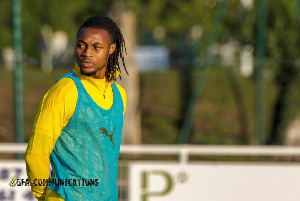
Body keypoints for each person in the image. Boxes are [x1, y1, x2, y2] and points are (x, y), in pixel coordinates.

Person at [25, 15, 128, 201]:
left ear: (111, 49)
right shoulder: (65, 91)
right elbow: (36, 153)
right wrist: (44, 196)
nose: (87, 53)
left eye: (96, 47)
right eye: (81, 45)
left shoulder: (120, 95)